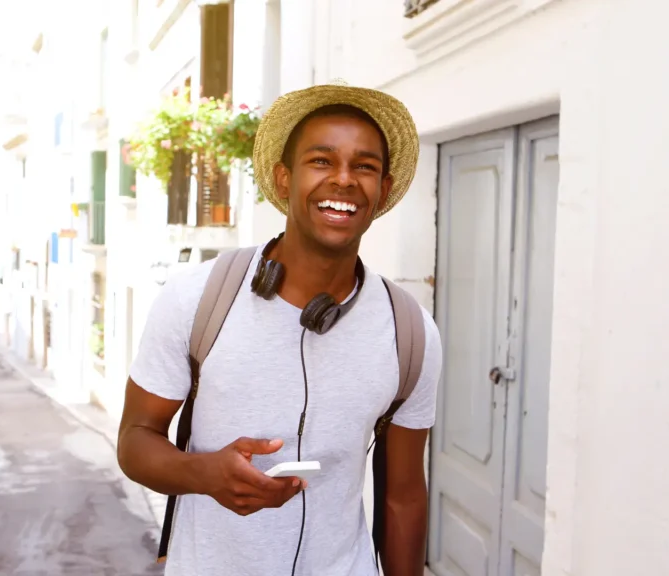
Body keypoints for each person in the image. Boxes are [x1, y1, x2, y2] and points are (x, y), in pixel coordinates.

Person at [117, 81, 442, 576]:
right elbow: (136, 439)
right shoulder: (197, 299)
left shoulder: (412, 333)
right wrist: (203, 474)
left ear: (383, 192)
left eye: (365, 167)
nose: (344, 180)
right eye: (321, 161)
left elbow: (402, 497)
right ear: (283, 178)